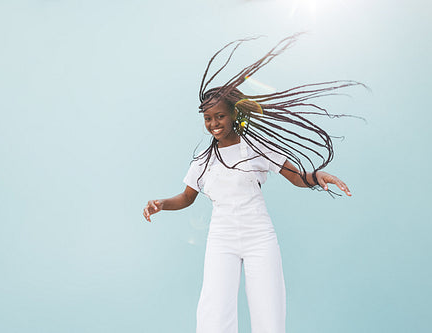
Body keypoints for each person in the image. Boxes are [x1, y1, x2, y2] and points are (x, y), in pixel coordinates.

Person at [143, 34, 361, 333]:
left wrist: (316, 176)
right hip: (222, 238)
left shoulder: (259, 148)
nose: (214, 123)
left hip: (260, 236)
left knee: (269, 308)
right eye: (208, 118)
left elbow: (296, 177)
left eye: (219, 116)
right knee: (214, 310)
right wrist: (162, 204)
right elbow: (186, 197)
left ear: (234, 114)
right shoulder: (202, 161)